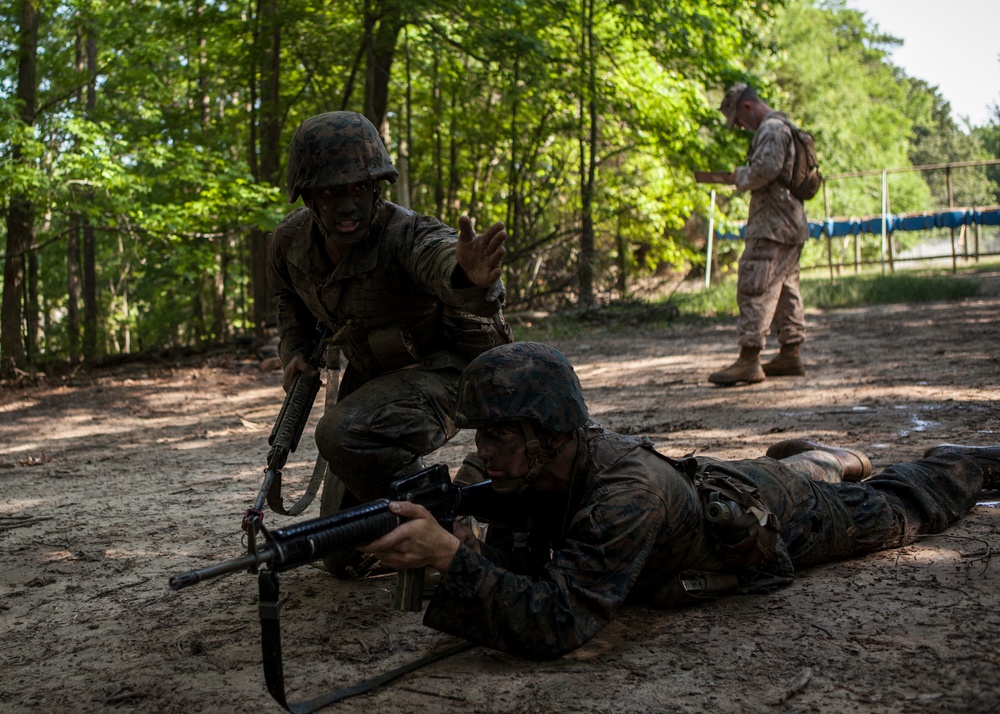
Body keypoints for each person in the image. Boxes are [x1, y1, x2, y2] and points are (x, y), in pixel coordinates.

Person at [364, 342, 1000, 660]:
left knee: (902, 507)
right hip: (716, 481)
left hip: (771, 516)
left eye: (501, 435)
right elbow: (521, 563)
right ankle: (830, 458)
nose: (488, 452)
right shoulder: (533, 467)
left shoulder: (624, 495)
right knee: (791, 468)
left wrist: (452, 558)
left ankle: (963, 461)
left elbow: (561, 620)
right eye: (484, 436)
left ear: (550, 434)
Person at [267, 111, 512, 509]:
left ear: (377, 188)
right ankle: (457, 491)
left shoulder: (406, 234)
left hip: (450, 371)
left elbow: (440, 259)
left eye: (360, 188)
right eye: (331, 192)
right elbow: (289, 299)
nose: (349, 206)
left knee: (339, 433)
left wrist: (468, 274)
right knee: (344, 554)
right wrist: (293, 354)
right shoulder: (288, 244)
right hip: (376, 377)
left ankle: (444, 517)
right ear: (308, 196)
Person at [710, 83, 810, 386]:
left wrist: (738, 175)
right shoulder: (784, 127)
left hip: (772, 225)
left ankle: (749, 359)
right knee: (786, 289)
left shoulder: (771, 129)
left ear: (747, 107)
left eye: (739, 120)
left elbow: (764, 169)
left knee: (755, 284)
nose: (740, 127)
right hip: (789, 223)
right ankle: (790, 353)